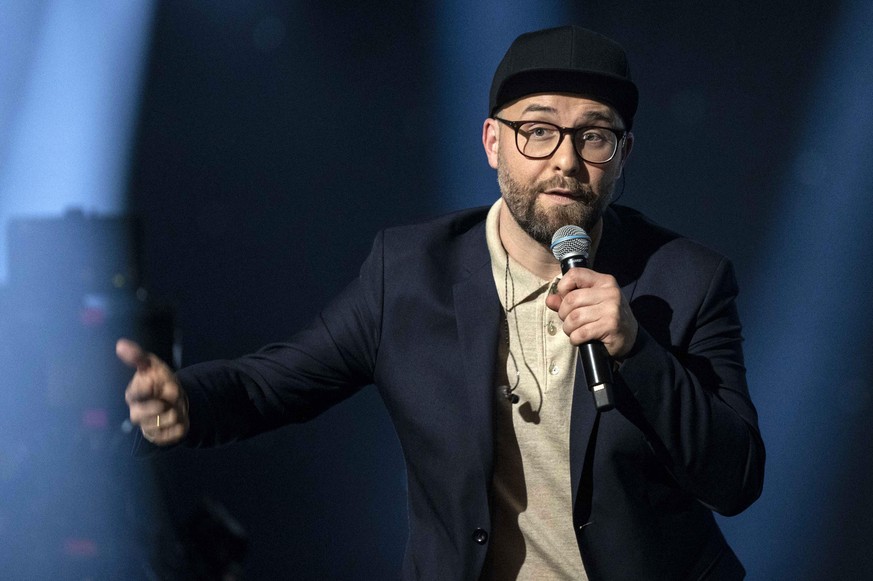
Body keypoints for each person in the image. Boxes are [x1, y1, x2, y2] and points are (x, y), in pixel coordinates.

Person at [118, 25, 765, 580]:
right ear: (491, 143)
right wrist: (187, 402)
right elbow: (271, 382)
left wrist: (636, 349)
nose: (564, 160)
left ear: (621, 155)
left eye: (593, 137)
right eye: (537, 130)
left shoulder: (685, 280)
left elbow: (735, 479)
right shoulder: (408, 272)